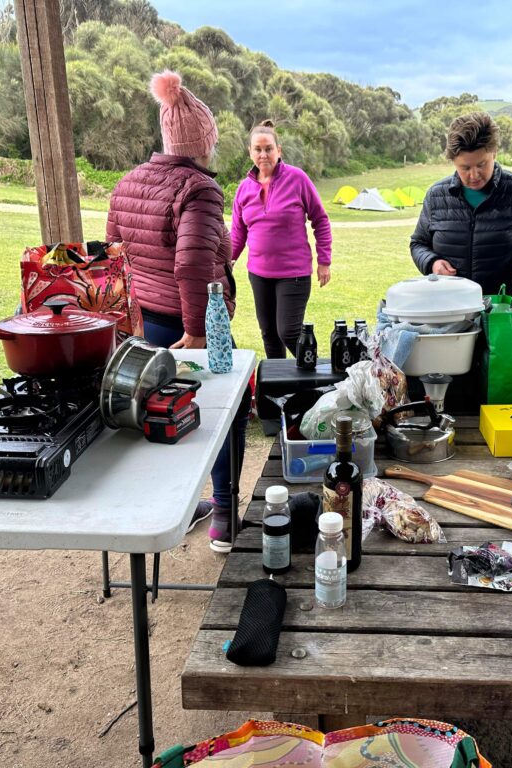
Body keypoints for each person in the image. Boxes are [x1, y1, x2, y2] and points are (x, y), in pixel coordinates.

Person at [106, 69, 247, 553]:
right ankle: (224, 516)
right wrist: (197, 330)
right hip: (193, 322)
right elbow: (190, 265)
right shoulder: (200, 189)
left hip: (142, 325)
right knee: (221, 414)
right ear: (202, 141)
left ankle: (167, 510)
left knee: (156, 415)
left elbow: (112, 257)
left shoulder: (127, 183)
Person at [410, 111, 512, 298]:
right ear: (453, 161)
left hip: (503, 312)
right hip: (448, 310)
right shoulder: (436, 196)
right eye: (465, 168)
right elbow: (418, 243)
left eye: (481, 164)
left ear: (494, 153)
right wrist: (432, 263)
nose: (474, 175)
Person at [231, 121, 333, 359]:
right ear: (250, 152)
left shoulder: (297, 179)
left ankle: (314, 375)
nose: (263, 154)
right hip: (258, 274)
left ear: (279, 150)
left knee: (288, 331)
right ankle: (281, 389)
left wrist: (324, 261)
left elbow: (320, 219)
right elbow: (237, 232)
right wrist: (229, 260)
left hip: (293, 273)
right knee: (269, 334)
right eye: (258, 149)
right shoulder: (244, 189)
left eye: (268, 148)